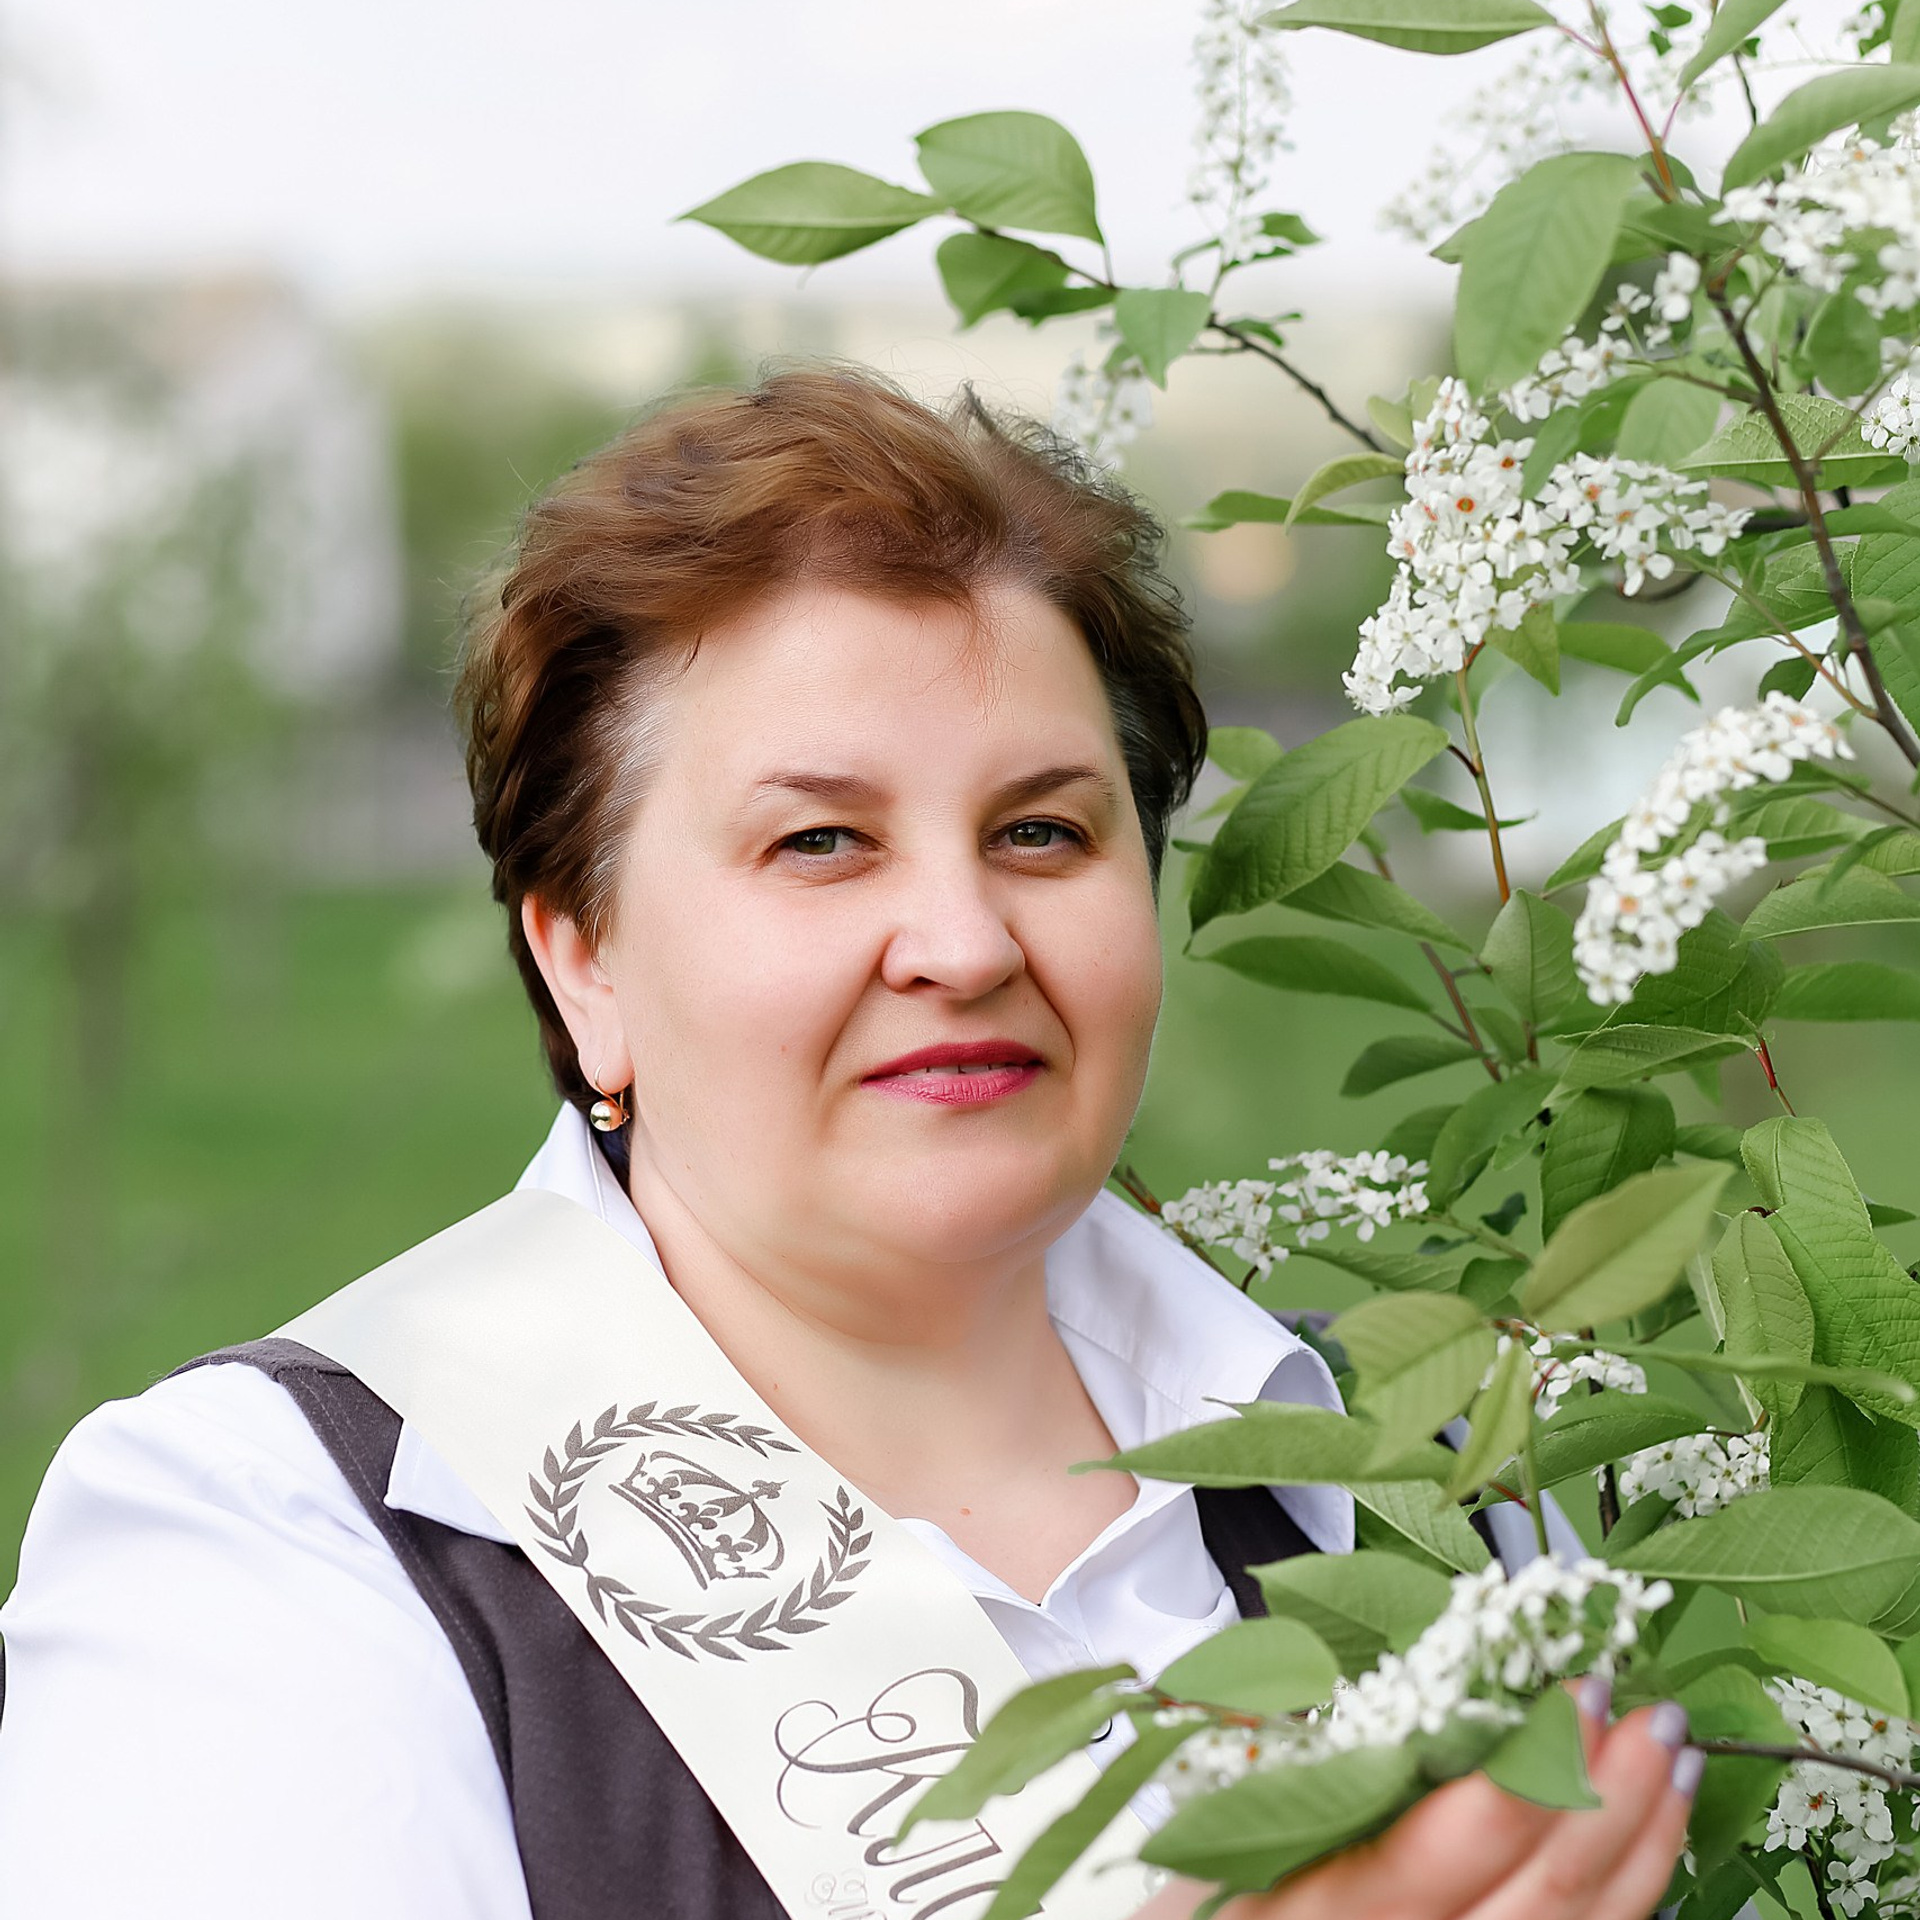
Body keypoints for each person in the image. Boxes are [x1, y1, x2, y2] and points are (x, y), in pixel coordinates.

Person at [0, 365, 1698, 1920]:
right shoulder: (279, 1542)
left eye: (1043, 830)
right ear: (580, 954)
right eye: (822, 842)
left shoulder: (1424, 1483)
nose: (964, 941)